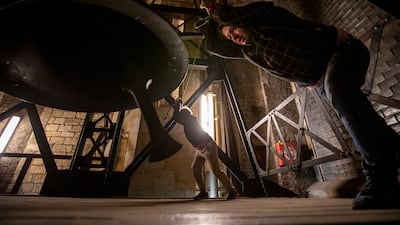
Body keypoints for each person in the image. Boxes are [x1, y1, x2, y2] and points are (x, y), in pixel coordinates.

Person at [201, 0, 400, 209]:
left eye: (234, 29)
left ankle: (381, 181)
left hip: (342, 50)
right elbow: (224, 49)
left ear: (241, 19)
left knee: (338, 92)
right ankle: (394, 151)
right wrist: (310, 81)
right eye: (231, 37)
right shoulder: (250, 53)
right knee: (354, 111)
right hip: (322, 76)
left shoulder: (266, 18)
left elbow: (243, 14)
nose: (235, 36)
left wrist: (214, 9)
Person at [172, 98, 239, 200]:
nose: (181, 116)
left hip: (208, 147)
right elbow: (177, 117)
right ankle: (203, 192)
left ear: (186, 114)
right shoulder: (188, 121)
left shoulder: (190, 120)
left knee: (216, 170)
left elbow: (176, 117)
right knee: (195, 168)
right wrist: (179, 106)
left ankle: (232, 191)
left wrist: (178, 105)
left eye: (182, 114)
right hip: (200, 149)